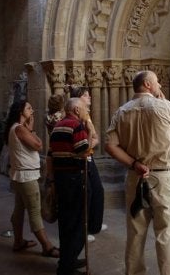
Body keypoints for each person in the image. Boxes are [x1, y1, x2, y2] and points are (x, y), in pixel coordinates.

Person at [105, 70, 170, 275]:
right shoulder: (164, 107)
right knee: (166, 236)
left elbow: (110, 145)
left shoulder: (122, 112)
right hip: (165, 178)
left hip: (136, 177)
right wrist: (168, 104)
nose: (160, 84)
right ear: (148, 84)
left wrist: (134, 164)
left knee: (135, 233)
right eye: (157, 81)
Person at [4, 100, 59, 257]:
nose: (32, 110)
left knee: (19, 210)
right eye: (29, 108)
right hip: (26, 176)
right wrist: (32, 129)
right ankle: (47, 247)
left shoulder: (16, 128)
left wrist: (30, 128)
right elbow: (38, 145)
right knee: (35, 211)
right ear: (21, 111)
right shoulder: (20, 128)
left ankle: (18, 241)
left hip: (20, 175)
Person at [49, 97, 93, 275]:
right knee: (77, 222)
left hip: (61, 179)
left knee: (66, 222)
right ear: (76, 110)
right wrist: (89, 132)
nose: (85, 112)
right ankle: (67, 267)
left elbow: (51, 154)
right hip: (74, 180)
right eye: (84, 109)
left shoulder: (58, 125)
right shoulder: (76, 126)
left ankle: (67, 260)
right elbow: (85, 152)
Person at [70, 86, 107, 242]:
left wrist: (89, 144)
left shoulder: (87, 117)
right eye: (86, 95)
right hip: (81, 160)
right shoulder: (77, 120)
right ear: (78, 100)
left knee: (97, 190)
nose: (90, 97)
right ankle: (83, 230)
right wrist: (89, 144)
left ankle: (94, 224)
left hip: (89, 157)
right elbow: (84, 144)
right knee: (87, 194)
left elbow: (96, 139)